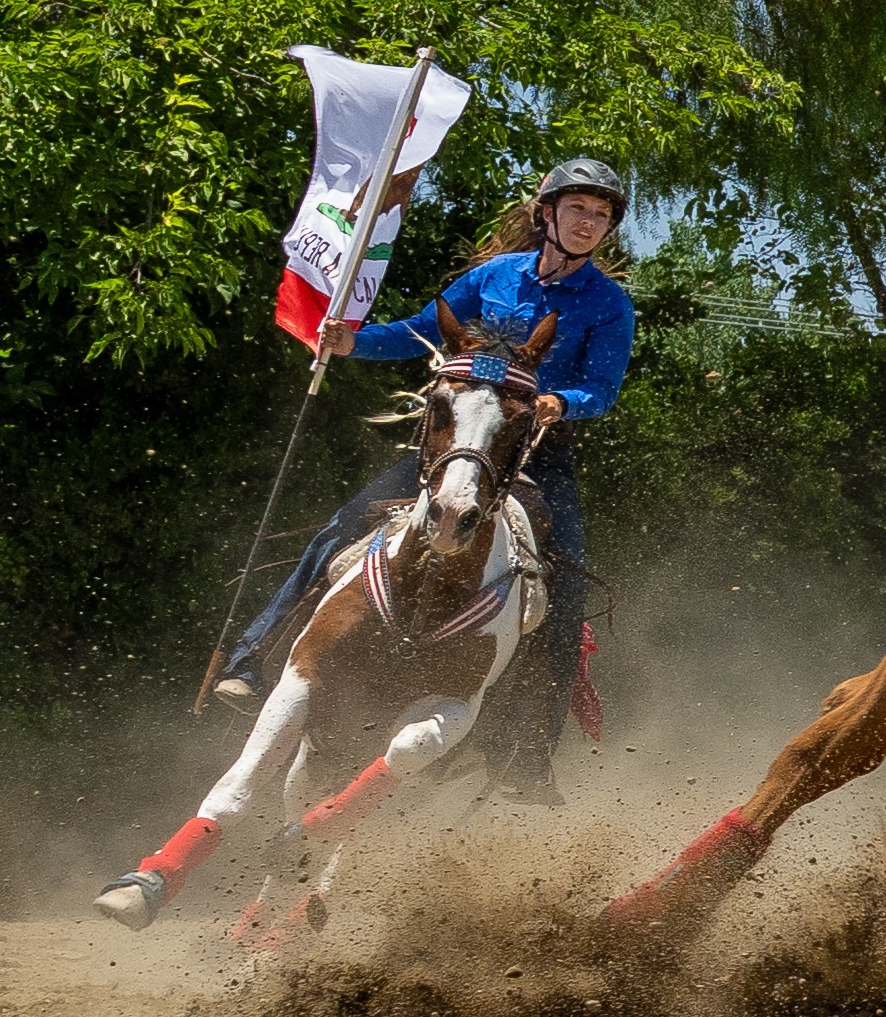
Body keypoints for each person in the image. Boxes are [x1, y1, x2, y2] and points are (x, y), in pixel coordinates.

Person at [221, 162, 638, 788]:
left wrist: (562, 402)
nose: (589, 223)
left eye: (601, 215)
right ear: (546, 214)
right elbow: (416, 333)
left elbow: (602, 389)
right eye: (578, 208)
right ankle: (252, 657)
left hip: (534, 453)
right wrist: (348, 342)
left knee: (568, 581)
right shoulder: (492, 278)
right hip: (457, 440)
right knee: (341, 528)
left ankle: (527, 753)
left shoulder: (609, 305)